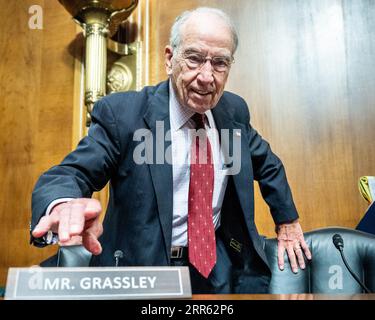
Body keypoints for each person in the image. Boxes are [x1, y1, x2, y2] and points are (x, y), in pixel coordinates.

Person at [30, 7, 312, 293]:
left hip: (218, 269)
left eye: (219, 63)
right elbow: (72, 173)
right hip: (144, 272)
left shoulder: (233, 111)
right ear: (170, 59)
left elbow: (268, 164)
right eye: (194, 58)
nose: (206, 76)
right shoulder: (123, 115)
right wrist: (63, 203)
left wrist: (287, 220)